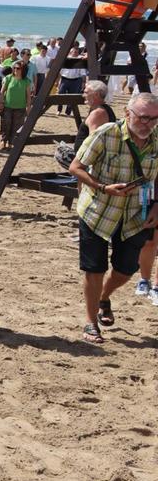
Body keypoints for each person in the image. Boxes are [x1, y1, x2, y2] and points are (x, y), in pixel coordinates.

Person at [69, 93, 158, 343]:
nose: (147, 124)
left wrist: (157, 205)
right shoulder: (107, 134)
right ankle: (90, 323)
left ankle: (104, 297)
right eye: (142, 118)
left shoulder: (157, 139)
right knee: (93, 268)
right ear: (128, 114)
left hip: (134, 215)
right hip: (98, 210)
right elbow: (76, 167)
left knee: (126, 270)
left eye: (153, 119)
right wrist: (101, 186)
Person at [0, 61, 32, 149]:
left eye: (18, 68)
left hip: (20, 108)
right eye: (14, 68)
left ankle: (11, 142)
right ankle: (3, 141)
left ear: (23, 70)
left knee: (16, 126)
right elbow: (2, 92)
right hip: (7, 106)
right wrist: (1, 103)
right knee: (6, 124)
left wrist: (28, 107)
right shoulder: (8, 78)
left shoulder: (26, 81)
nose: (15, 70)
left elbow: (28, 96)